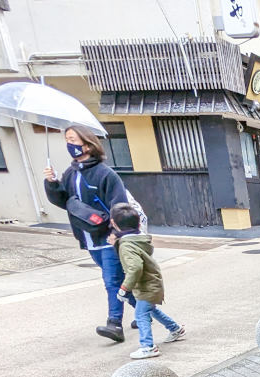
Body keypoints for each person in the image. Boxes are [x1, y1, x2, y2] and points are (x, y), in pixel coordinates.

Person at [43, 125, 136, 342]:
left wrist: (117, 233)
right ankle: (144, 309)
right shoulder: (70, 173)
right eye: (67, 139)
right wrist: (52, 183)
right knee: (118, 279)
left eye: (73, 139)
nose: (70, 144)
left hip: (108, 236)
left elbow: (119, 204)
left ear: (87, 143)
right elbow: (63, 201)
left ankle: (114, 324)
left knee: (111, 280)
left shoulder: (105, 174)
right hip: (88, 236)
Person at [109, 204, 185, 360]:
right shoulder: (138, 239)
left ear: (114, 224)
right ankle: (175, 328)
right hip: (151, 283)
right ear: (138, 224)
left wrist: (124, 288)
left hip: (147, 286)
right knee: (150, 310)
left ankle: (148, 346)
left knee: (141, 314)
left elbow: (135, 267)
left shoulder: (126, 245)